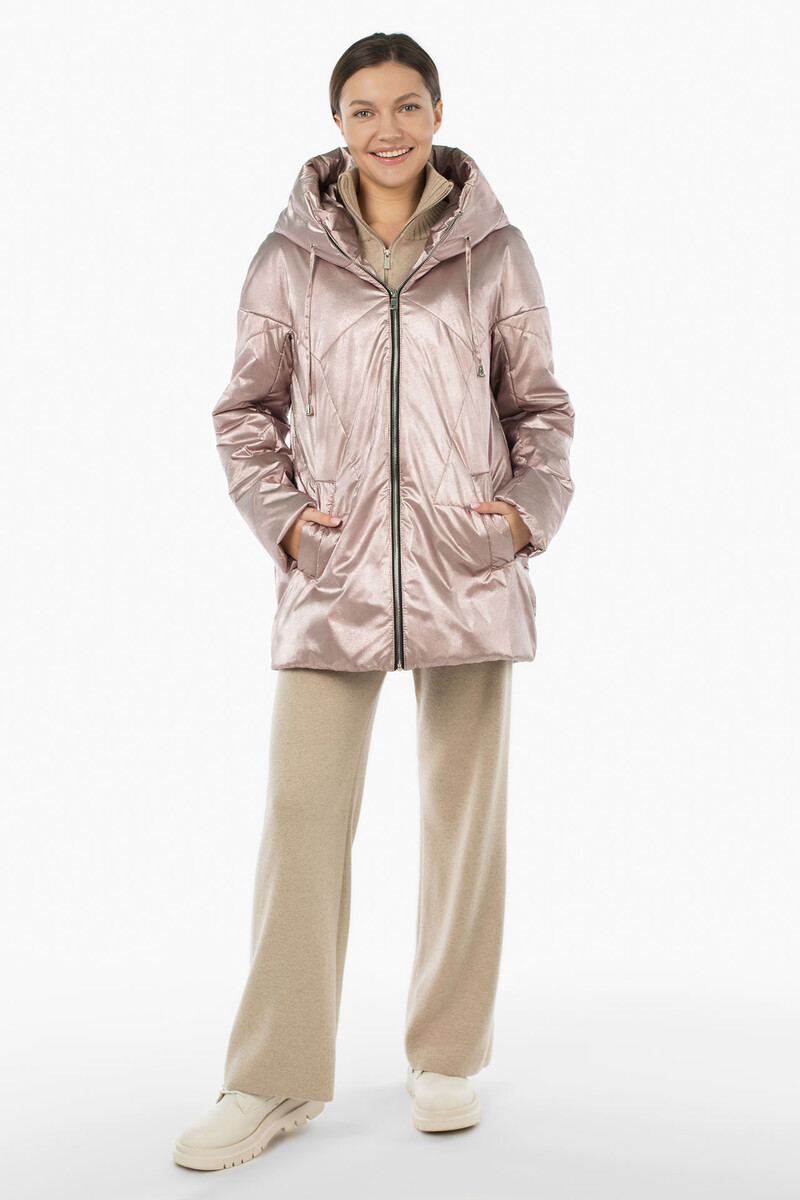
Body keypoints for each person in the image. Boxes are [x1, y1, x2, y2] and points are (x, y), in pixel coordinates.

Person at [173, 30, 575, 1172]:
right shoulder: (288, 259)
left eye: (405, 106)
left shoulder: (495, 252)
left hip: (467, 569)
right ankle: (273, 1076)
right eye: (362, 109)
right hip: (335, 574)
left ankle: (445, 1056)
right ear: (337, 124)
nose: (385, 129)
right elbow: (243, 414)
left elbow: (541, 410)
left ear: (437, 114)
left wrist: (520, 516)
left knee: (463, 821)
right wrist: (287, 522)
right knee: (301, 815)